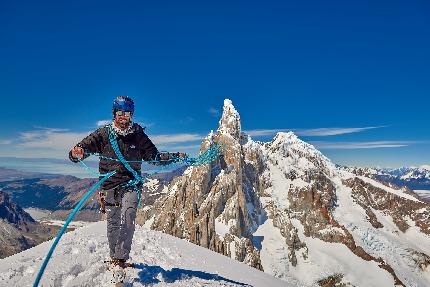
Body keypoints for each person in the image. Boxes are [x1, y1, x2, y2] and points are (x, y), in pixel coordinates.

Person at [69, 96, 186, 284]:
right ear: (114, 113)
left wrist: (173, 157)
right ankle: (115, 256)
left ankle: (120, 259)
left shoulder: (138, 135)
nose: (123, 117)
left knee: (129, 216)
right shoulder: (103, 134)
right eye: (120, 113)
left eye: (127, 113)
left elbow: (153, 156)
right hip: (109, 186)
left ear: (131, 114)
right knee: (113, 221)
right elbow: (82, 149)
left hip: (131, 184)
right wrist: (77, 153)